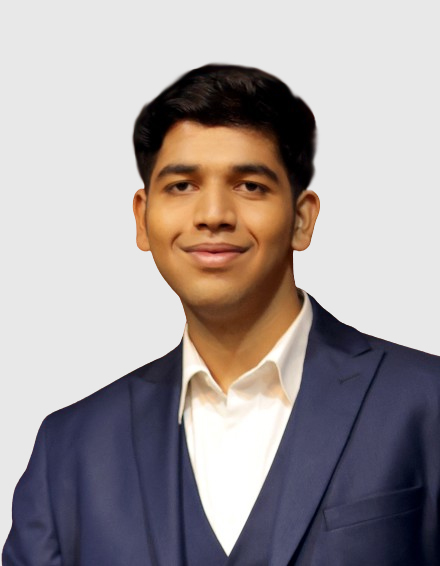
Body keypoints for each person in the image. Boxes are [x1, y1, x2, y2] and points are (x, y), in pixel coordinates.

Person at [3, 64, 440, 566]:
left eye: (249, 186)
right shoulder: (70, 449)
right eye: (181, 186)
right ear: (142, 218)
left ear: (302, 219)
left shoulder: (425, 403)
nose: (213, 214)